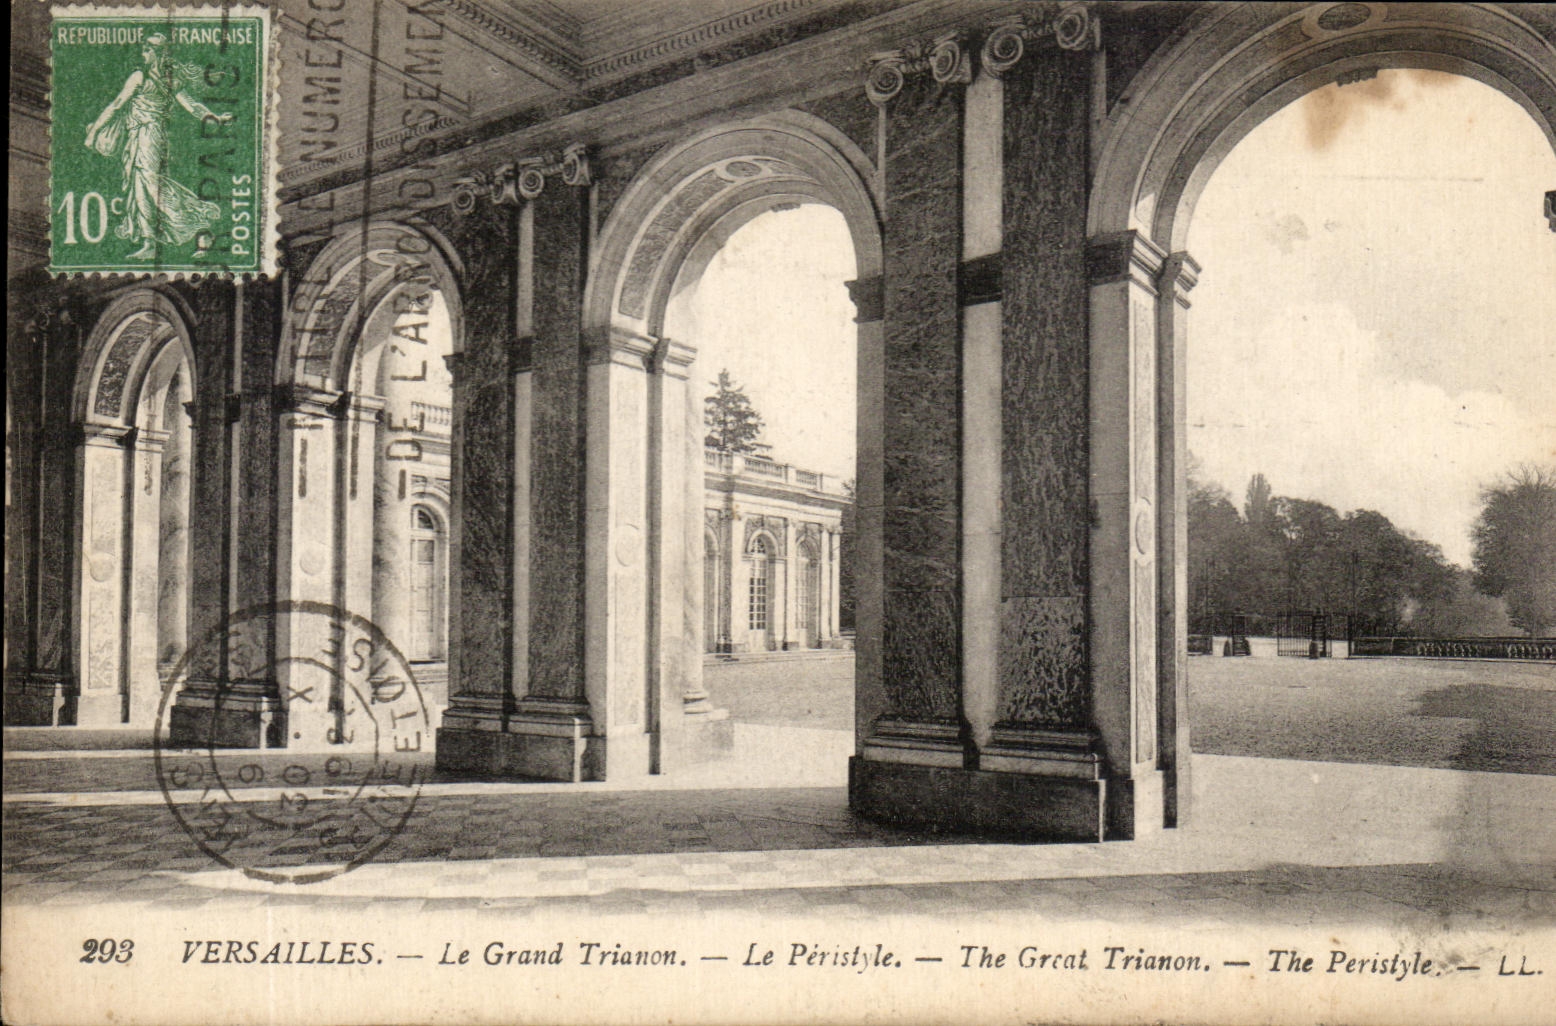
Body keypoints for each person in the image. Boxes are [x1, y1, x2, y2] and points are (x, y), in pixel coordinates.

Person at [83, 34, 233, 259]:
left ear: (158, 53)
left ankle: (197, 220)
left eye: (147, 49)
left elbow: (117, 105)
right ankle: (149, 242)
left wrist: (94, 132)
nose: (143, 53)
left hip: (149, 135)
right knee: (140, 185)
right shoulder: (160, 78)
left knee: (151, 183)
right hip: (140, 136)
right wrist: (215, 117)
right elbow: (192, 106)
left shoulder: (144, 77)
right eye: (144, 49)